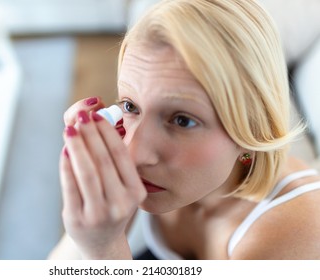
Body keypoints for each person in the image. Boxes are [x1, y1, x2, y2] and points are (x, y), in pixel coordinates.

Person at [50, 0, 320, 260]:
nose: (134, 153)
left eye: (182, 121)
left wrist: (105, 252)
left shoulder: (296, 235)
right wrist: (92, 222)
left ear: (253, 129)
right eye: (131, 106)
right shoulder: (163, 176)